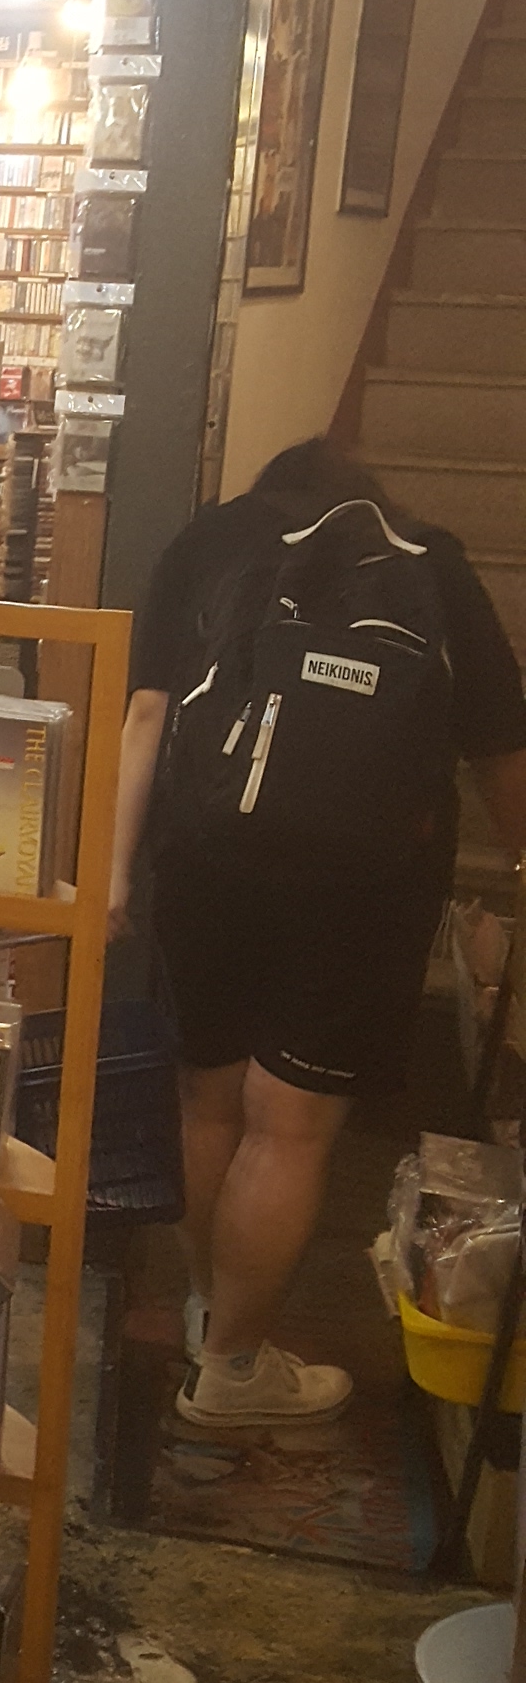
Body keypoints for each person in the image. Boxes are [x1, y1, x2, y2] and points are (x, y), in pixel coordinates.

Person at [108, 437, 526, 1431]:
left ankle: (211, 1313)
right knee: (288, 1125)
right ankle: (233, 1366)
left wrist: (117, 870)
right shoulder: (430, 561)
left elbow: (147, 714)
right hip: (365, 881)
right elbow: (503, 747)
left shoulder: (208, 542)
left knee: (208, 1102)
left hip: (207, 855)